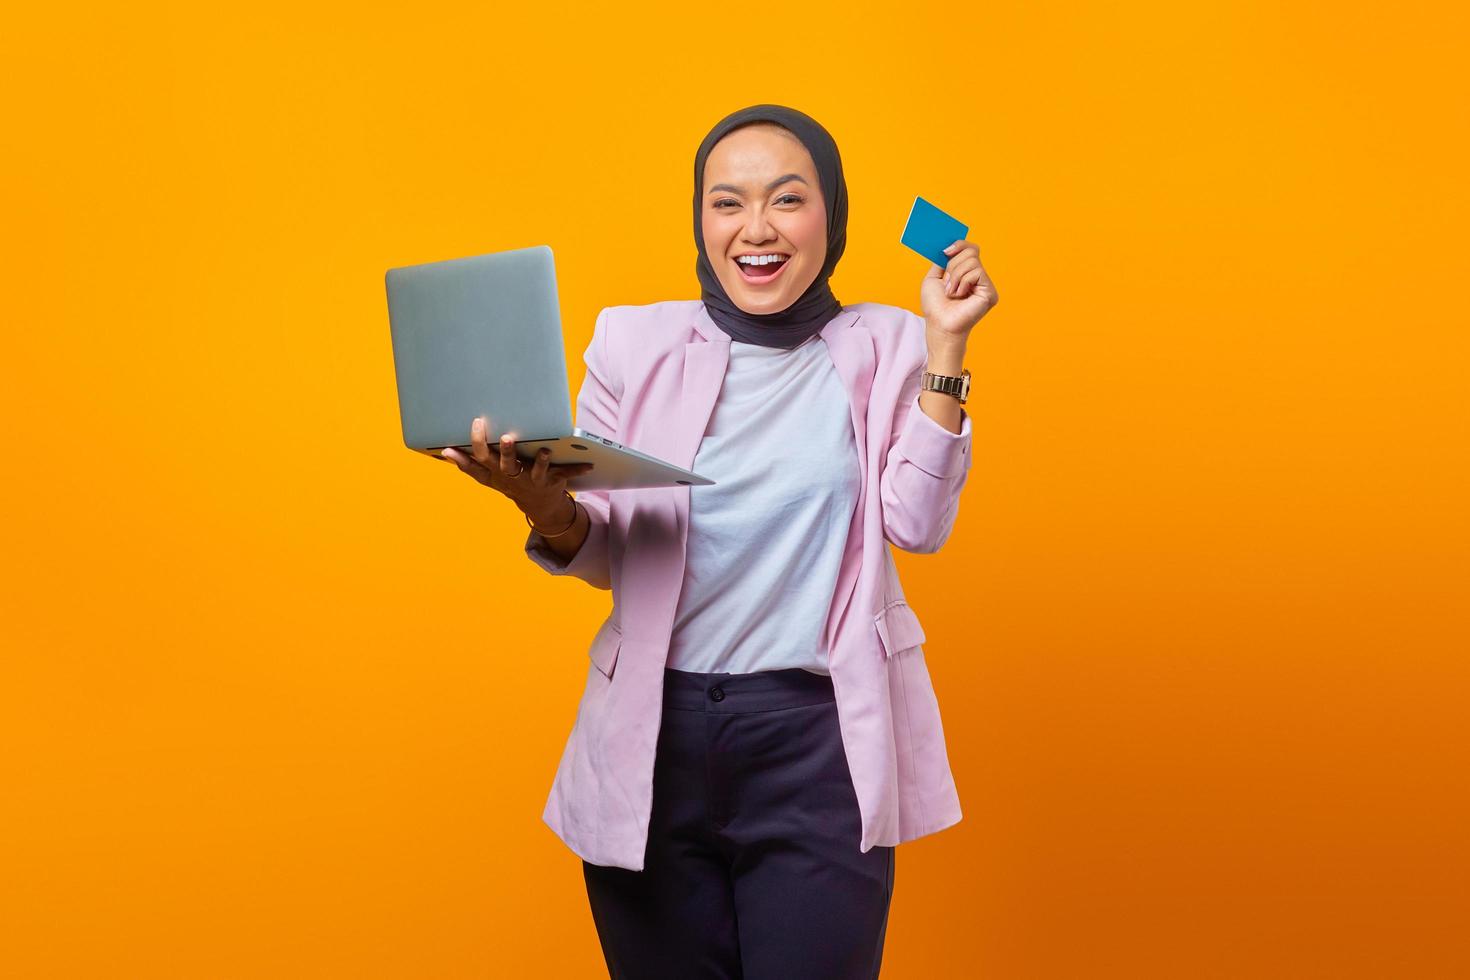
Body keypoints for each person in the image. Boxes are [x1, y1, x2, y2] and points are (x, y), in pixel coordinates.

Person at [441, 104, 998, 979]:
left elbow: (917, 527)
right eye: (727, 203)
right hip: (654, 739)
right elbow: (606, 552)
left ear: (832, 215)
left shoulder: (893, 343)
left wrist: (949, 347)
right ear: (701, 222)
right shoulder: (633, 342)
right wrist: (539, 505)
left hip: (819, 742)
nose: (757, 229)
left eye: (787, 199)